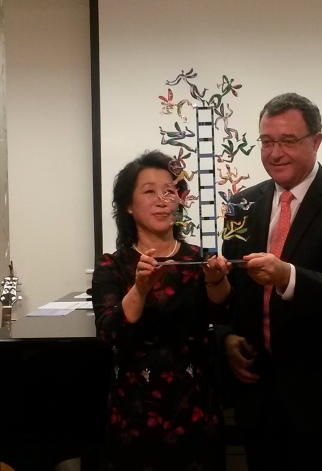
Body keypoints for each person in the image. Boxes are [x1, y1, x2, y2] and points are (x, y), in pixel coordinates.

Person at [216, 93, 322, 471]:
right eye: (267, 142)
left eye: (287, 141)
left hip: (321, 394)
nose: (275, 153)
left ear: (316, 141)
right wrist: (225, 337)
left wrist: (285, 275)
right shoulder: (242, 204)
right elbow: (233, 291)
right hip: (257, 390)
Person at [92, 150, 232, 471]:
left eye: (170, 190)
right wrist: (140, 287)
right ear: (128, 205)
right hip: (134, 411)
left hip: (196, 406)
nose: (161, 199)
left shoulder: (200, 257)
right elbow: (109, 333)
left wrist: (215, 281)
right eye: (149, 191)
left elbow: (224, 314)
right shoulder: (112, 265)